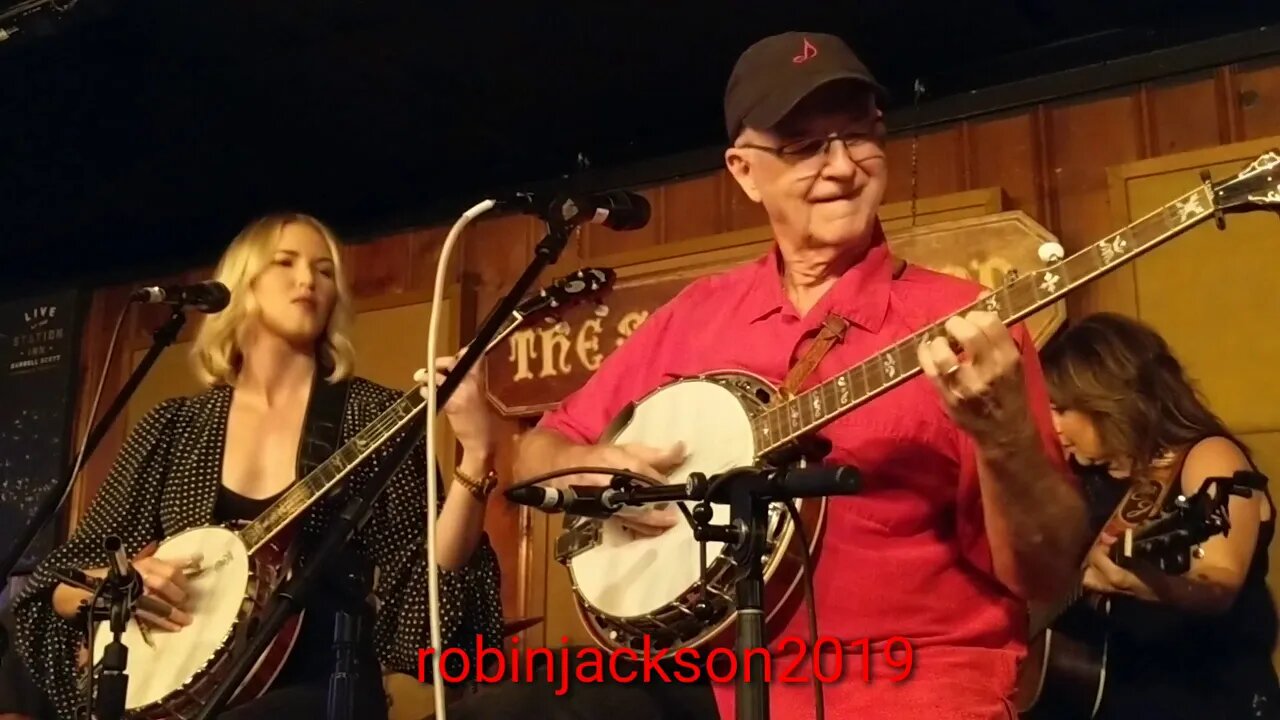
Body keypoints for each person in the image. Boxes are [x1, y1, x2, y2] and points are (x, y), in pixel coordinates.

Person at [510, 31, 1089, 720]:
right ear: (745, 172)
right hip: (724, 696)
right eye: (805, 145)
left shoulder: (966, 323)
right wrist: (593, 472)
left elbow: (1048, 572)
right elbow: (539, 449)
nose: (842, 167)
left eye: (859, 135)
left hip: (921, 694)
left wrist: (1006, 440)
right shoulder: (698, 314)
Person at [9, 212, 505, 719]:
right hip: (179, 700)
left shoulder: (372, 417)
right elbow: (55, 591)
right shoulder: (174, 428)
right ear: (239, 285)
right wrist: (121, 583)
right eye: (284, 263)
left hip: (324, 693)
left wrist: (477, 458)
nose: (308, 280)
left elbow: (428, 580)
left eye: (325, 270)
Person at [1041, 312, 1279, 719]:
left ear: (1108, 401)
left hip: (1208, 700)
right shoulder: (1087, 477)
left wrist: (1152, 585)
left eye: (1062, 409)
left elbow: (1217, 584)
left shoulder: (1208, 459)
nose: (1051, 424)